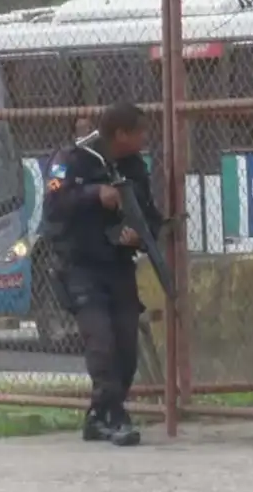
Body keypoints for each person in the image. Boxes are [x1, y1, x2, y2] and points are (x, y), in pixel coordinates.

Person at [42, 102, 163, 447]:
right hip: (79, 266)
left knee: (126, 344)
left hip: (118, 265)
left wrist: (139, 234)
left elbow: (147, 213)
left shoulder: (133, 166)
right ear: (121, 134)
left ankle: (102, 415)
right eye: (139, 132)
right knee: (102, 341)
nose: (144, 139)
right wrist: (96, 194)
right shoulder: (72, 159)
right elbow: (54, 205)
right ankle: (111, 415)